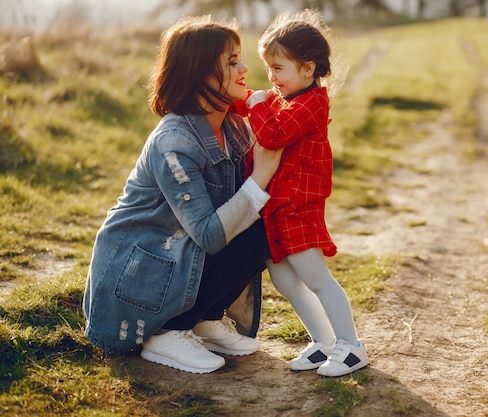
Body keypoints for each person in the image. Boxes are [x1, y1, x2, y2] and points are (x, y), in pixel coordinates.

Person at [82, 15, 283, 374]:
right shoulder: (174, 141)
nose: (245, 68)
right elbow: (209, 233)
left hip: (181, 257)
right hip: (141, 273)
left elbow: (240, 212)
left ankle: (203, 318)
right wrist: (263, 173)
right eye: (232, 61)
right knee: (253, 223)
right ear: (201, 73)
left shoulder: (233, 126)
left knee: (269, 225)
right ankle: (167, 332)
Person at [243, 9, 368, 377]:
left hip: (298, 207)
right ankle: (325, 343)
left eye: (279, 68)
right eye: (269, 68)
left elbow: (272, 135)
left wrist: (256, 104)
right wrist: (241, 99)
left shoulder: (311, 104)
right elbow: (260, 112)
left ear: (308, 69)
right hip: (278, 209)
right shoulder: (288, 101)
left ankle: (351, 346)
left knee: (316, 278)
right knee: (283, 280)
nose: (272, 77)